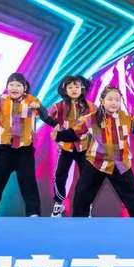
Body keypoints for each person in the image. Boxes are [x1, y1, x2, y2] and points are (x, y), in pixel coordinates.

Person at [53, 86, 134, 217]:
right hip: (96, 162)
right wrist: (59, 135)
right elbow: (75, 133)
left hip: (120, 164)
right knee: (82, 196)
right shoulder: (91, 118)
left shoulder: (126, 117)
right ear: (102, 101)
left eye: (117, 100)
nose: (114, 102)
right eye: (110, 99)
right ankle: (78, 224)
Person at [0, 73, 54, 216]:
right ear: (7, 87)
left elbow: (45, 116)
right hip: (4, 149)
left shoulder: (31, 100)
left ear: (24, 88)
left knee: (28, 182)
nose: (14, 88)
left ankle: (33, 213)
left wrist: (39, 107)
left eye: (18, 85)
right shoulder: (1, 99)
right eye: (11, 85)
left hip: (24, 150)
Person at [46, 75, 95, 217]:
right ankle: (58, 203)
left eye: (77, 87)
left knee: (87, 177)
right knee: (60, 175)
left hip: (84, 147)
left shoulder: (89, 106)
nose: (74, 89)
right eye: (70, 87)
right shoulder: (60, 105)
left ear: (82, 88)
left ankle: (86, 206)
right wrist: (55, 126)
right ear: (65, 89)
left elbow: (99, 119)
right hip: (66, 147)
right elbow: (46, 115)